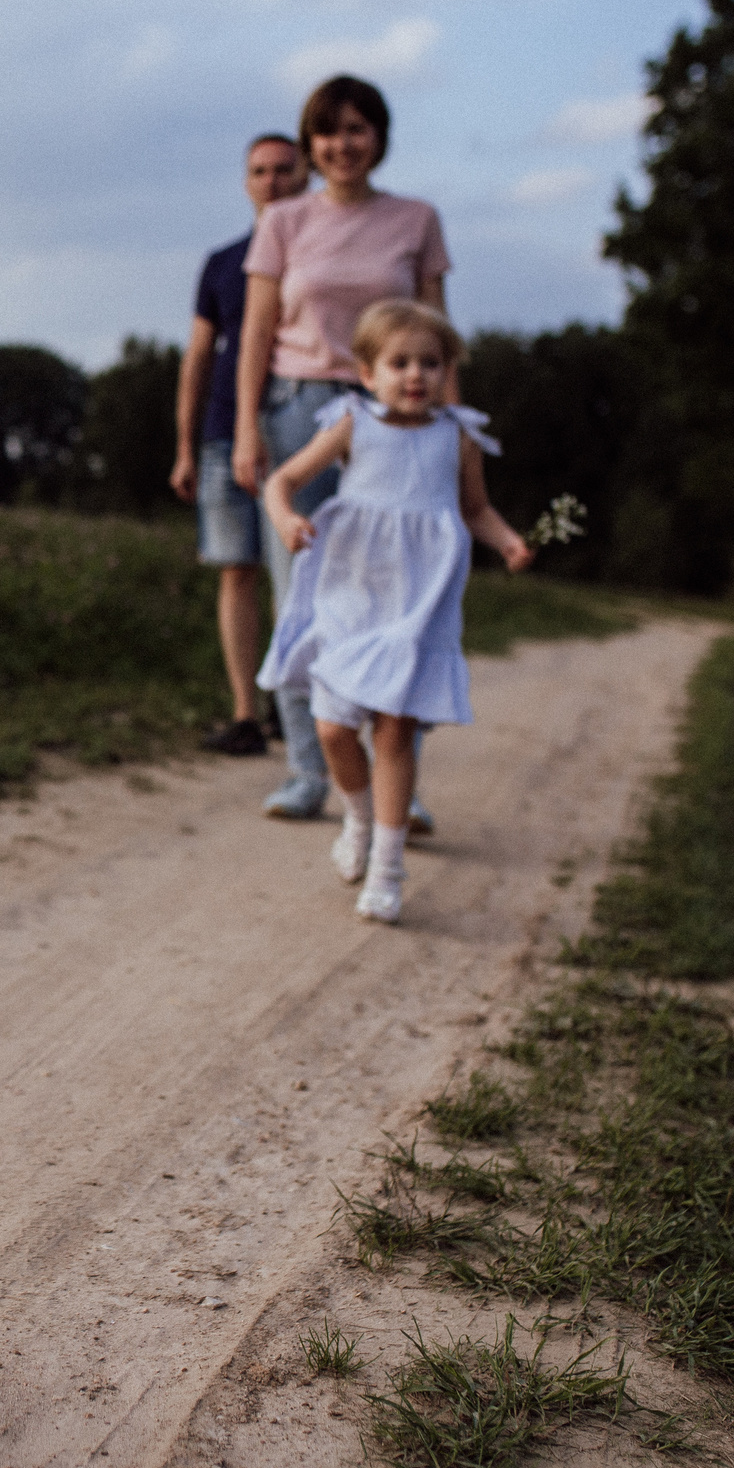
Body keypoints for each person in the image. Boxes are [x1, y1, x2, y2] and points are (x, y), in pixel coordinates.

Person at [260, 300, 532, 923]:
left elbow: (474, 509)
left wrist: (509, 540)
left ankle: (387, 868)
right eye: (400, 363)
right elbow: (282, 481)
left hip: (418, 602)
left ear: (448, 372)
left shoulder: (458, 437)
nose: (416, 376)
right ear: (366, 372)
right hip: (353, 592)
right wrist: (286, 519)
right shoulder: (353, 424)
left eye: (431, 364)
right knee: (332, 728)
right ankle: (358, 821)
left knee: (394, 730)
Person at [231, 74, 452, 828]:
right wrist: (247, 427)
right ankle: (306, 769)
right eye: (328, 132)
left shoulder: (416, 219)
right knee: (302, 594)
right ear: (311, 143)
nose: (343, 145)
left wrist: (448, 436)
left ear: (379, 137)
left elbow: (438, 335)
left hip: (394, 426)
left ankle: (399, 779)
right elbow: (256, 332)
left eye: (358, 129)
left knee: (399, 600)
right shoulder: (285, 222)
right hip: (297, 408)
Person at [171, 131, 309, 755]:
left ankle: (297, 706)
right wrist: (184, 444)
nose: (273, 181)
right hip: (226, 435)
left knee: (299, 575)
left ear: (304, 174)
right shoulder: (223, 262)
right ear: (246, 181)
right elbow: (199, 355)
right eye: (260, 171)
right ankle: (247, 713)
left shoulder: (318, 258)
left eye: (284, 169)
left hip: (300, 436)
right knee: (238, 570)